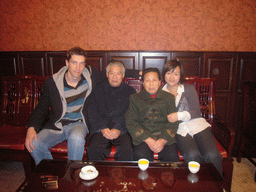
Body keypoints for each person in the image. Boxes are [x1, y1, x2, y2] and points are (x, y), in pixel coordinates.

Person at [25, 47, 107, 165]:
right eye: (74, 62)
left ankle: (72, 175)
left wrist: (138, 73)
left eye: (81, 63)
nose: (78, 67)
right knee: (34, 143)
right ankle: (53, 174)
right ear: (67, 63)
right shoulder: (52, 83)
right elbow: (41, 107)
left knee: (76, 138)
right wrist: (31, 127)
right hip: (56, 125)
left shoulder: (91, 76)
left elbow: (111, 73)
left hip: (79, 123)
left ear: (84, 64)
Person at [162, 59, 223, 175]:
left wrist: (178, 115)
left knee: (212, 155)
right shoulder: (160, 93)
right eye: (169, 73)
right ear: (164, 74)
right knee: (192, 155)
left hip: (197, 124)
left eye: (176, 73)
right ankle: (196, 184)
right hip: (179, 130)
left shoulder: (188, 89)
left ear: (180, 75)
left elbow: (196, 112)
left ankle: (217, 185)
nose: (172, 77)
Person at [126, 68, 179, 162]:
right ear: (143, 83)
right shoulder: (135, 98)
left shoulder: (169, 98)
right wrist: (148, 140)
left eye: (154, 80)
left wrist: (163, 140)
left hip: (164, 136)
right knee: (140, 156)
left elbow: (173, 122)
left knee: (171, 156)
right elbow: (131, 122)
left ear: (159, 82)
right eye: (147, 80)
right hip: (143, 138)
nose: (151, 84)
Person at [86, 60, 136, 161]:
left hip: (122, 128)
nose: (115, 77)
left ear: (123, 75)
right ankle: (99, 175)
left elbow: (131, 113)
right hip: (101, 128)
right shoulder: (98, 89)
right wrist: (102, 127)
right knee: (94, 149)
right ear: (107, 74)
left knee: (127, 150)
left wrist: (119, 128)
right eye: (111, 73)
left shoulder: (130, 91)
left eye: (118, 74)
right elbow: (91, 110)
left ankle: (122, 176)